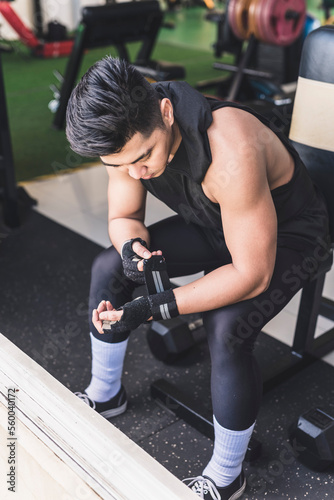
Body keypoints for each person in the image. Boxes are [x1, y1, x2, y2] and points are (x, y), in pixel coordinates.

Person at [66, 56, 331, 500]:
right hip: (214, 221)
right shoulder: (125, 137)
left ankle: (228, 475)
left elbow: (251, 274)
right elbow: (124, 215)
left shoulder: (231, 146)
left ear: (166, 113)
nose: (136, 173)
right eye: (121, 165)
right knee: (108, 267)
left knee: (227, 328)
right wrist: (132, 251)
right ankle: (105, 395)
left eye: (144, 157)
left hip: (292, 235)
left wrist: (158, 305)